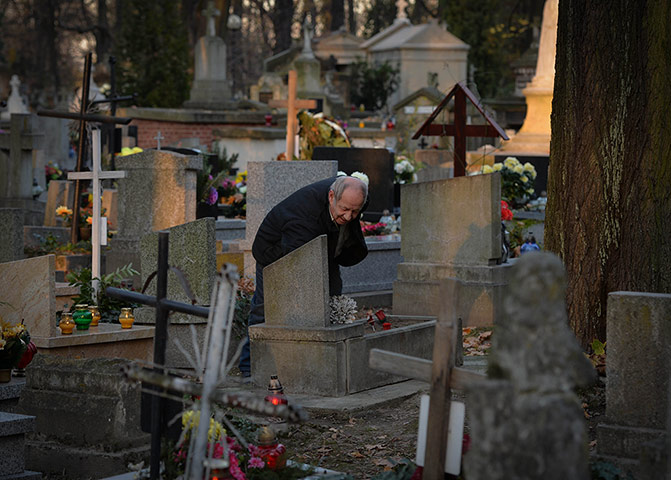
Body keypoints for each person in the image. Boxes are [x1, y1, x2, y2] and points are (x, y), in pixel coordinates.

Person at [238, 175, 369, 377]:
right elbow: (298, 263)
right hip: (274, 252)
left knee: (332, 296)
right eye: (344, 209)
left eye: (355, 211)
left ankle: (323, 359)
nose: (350, 217)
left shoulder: (350, 194)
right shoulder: (305, 216)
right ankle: (250, 367)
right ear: (331, 196)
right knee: (264, 308)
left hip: (321, 246)